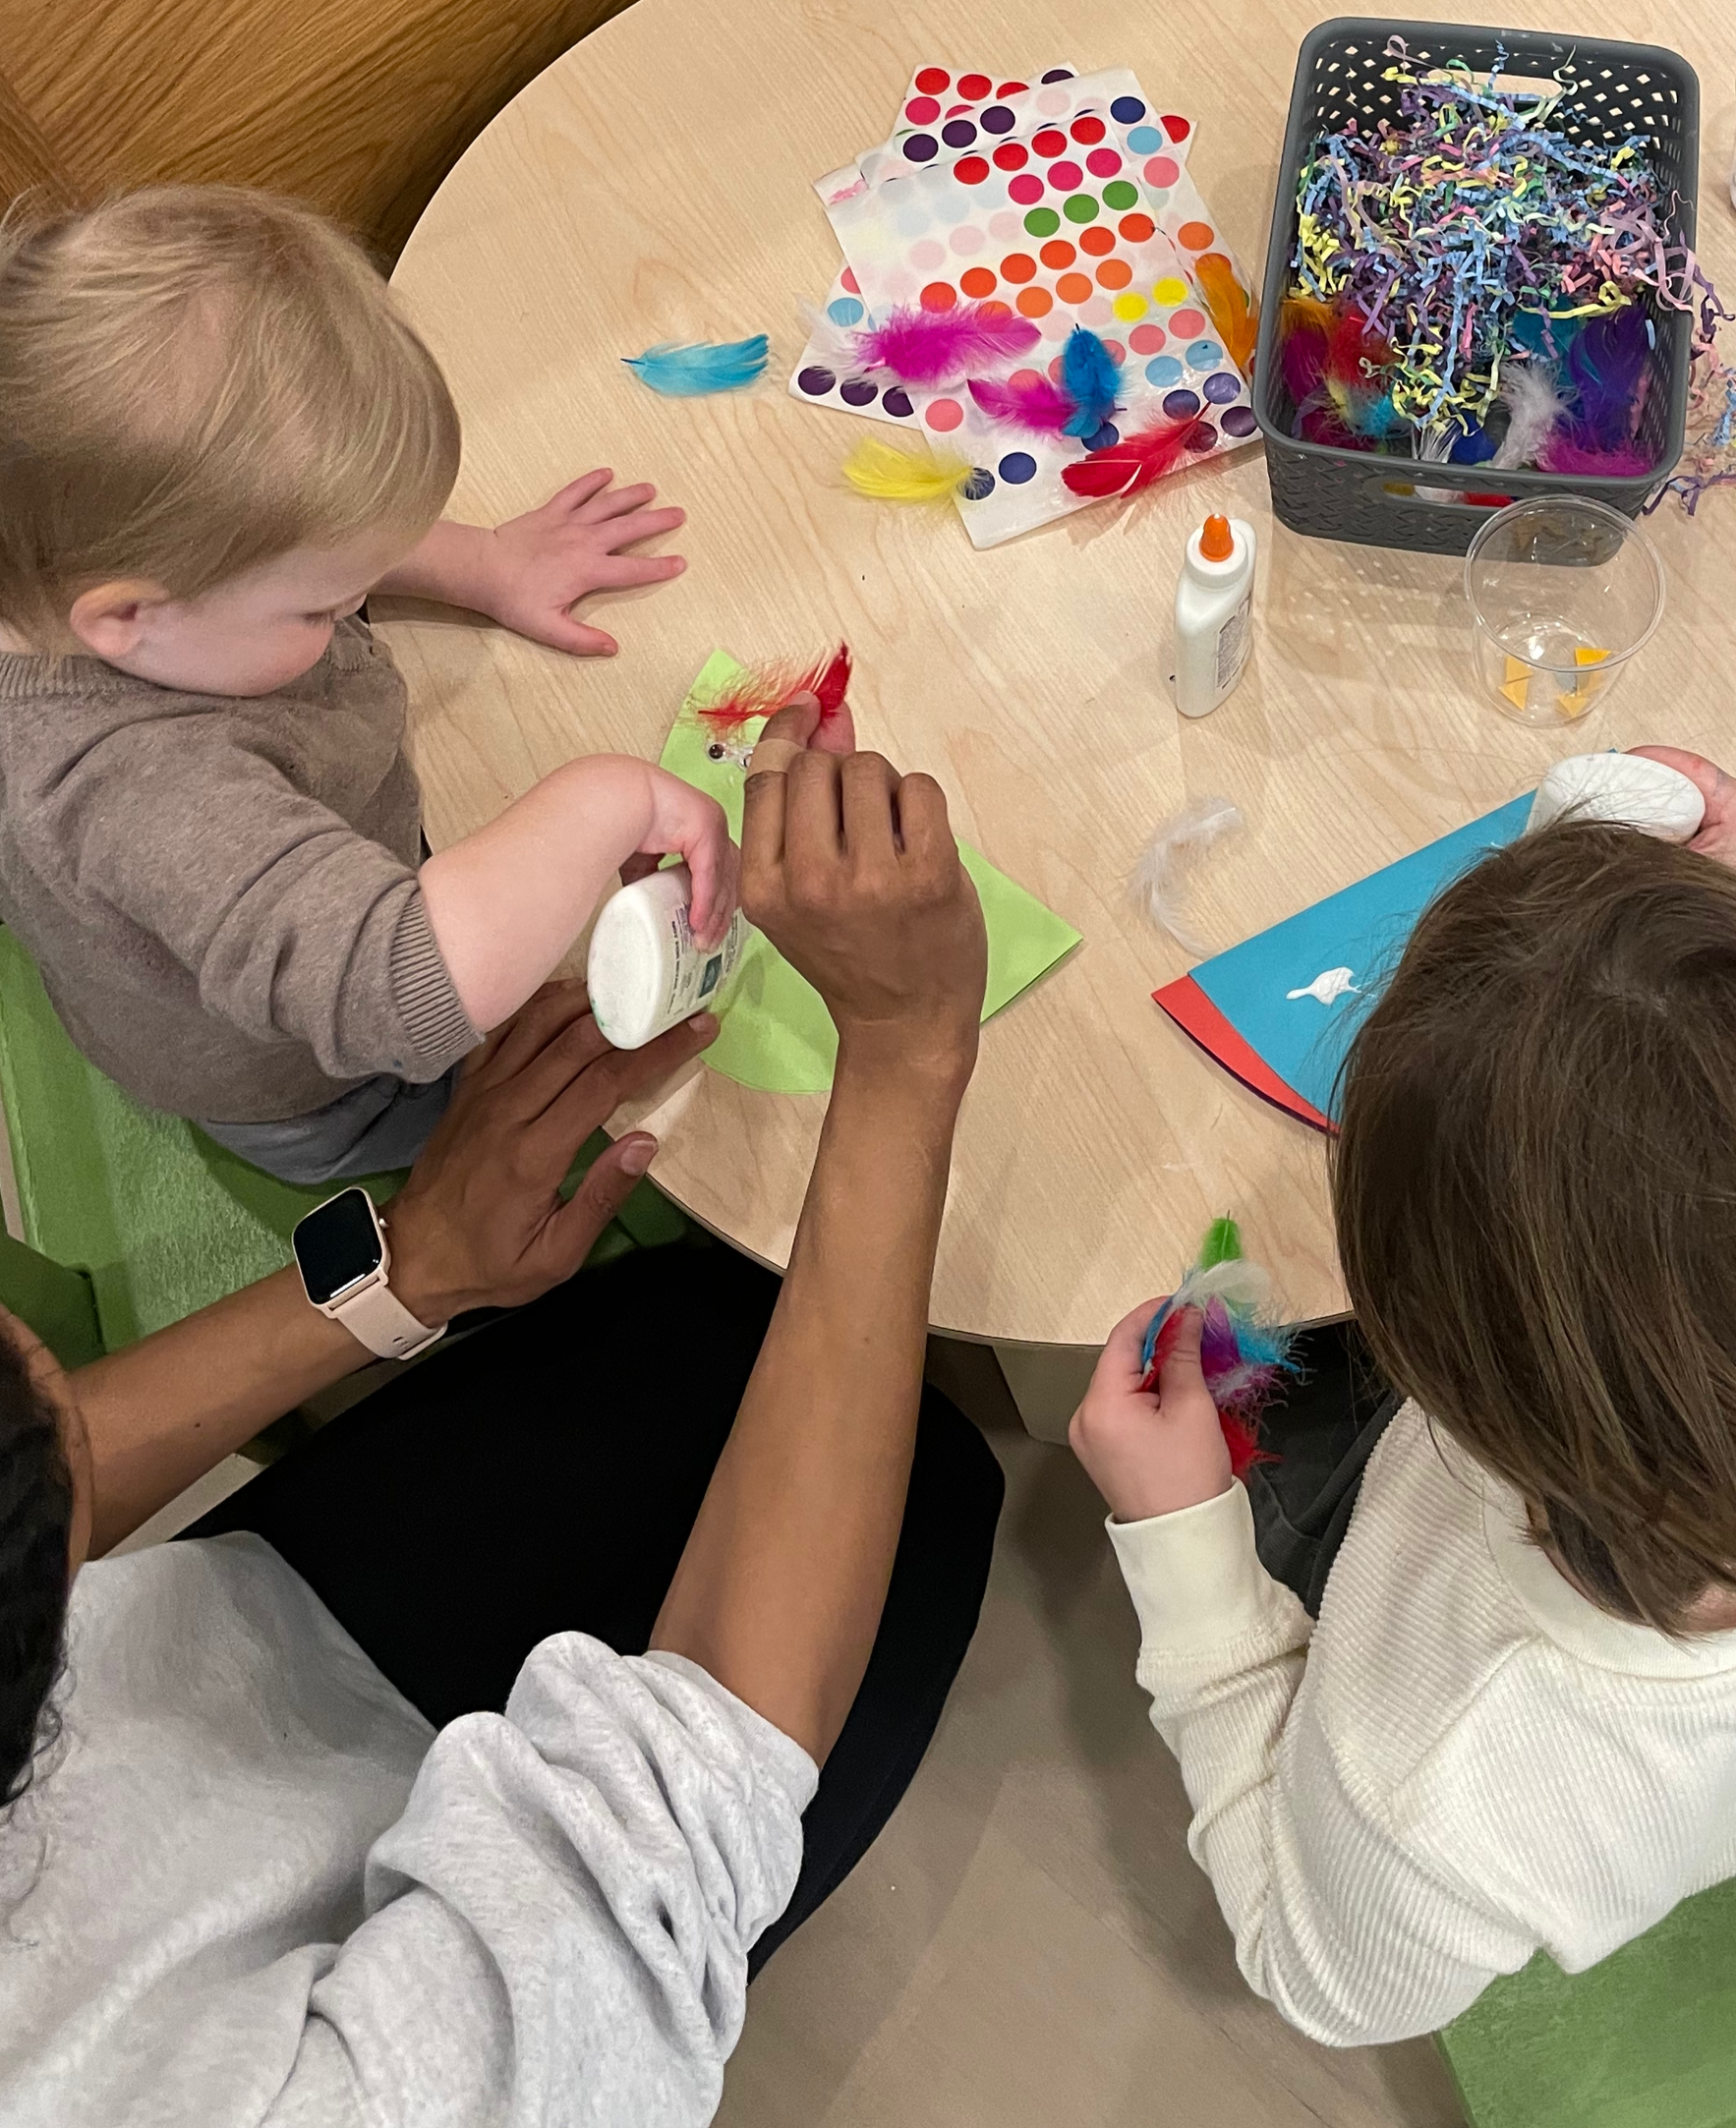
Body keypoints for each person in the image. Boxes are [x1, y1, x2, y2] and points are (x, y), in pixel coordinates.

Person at [0, 699, 1003, 2126]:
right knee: (944, 1493)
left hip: (271, 1626)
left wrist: (402, 1268)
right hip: (432, 1898)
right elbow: (688, 1802)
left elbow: (40, 1471)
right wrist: (905, 1052)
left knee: (701, 1329)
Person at [1071, 747, 1736, 2045]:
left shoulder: (1432, 1783)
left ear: (1413, 1344)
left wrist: (1190, 1553)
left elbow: (1316, 1975)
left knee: (1294, 1468)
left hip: (1484, 1684)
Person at [0, 185, 734, 1182]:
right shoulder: (145, 790)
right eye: (320, 605)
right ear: (126, 614)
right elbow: (399, 988)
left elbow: (271, 538)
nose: (349, 609)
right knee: (476, 1105)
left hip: (276, 892)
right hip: (311, 1080)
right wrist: (614, 796)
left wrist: (481, 562)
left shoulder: (72, 547)